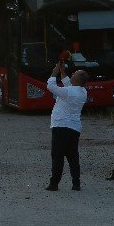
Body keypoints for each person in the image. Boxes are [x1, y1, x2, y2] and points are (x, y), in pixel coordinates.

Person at [45, 60, 89, 192]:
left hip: (61, 125)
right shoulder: (82, 91)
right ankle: (76, 183)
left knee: (57, 155)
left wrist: (54, 72)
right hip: (74, 127)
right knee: (72, 156)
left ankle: (54, 183)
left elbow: (51, 87)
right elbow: (68, 83)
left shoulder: (69, 92)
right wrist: (62, 71)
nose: (73, 74)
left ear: (77, 79)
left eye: (75, 73)